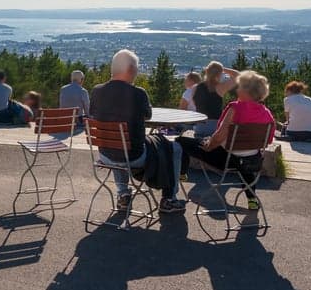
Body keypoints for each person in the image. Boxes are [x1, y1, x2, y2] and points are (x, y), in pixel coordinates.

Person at [89, 49, 185, 213]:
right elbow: (148, 115)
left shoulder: (97, 91)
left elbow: (92, 113)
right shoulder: (138, 93)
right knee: (174, 148)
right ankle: (169, 198)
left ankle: (123, 194)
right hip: (135, 157)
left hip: (105, 155)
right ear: (131, 70)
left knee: (119, 146)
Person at [177, 70, 276, 210]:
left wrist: (208, 145)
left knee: (181, 141)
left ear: (246, 90)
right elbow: (269, 140)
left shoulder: (235, 108)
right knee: (245, 155)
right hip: (252, 162)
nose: (238, 88)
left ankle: (181, 174)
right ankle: (252, 198)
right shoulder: (266, 113)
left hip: (226, 160)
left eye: (240, 86)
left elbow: (219, 136)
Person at [191, 61, 240, 136]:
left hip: (200, 126)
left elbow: (195, 104)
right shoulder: (220, 87)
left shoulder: (195, 88)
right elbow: (238, 75)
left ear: (207, 71)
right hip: (215, 127)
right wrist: (223, 69)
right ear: (220, 74)